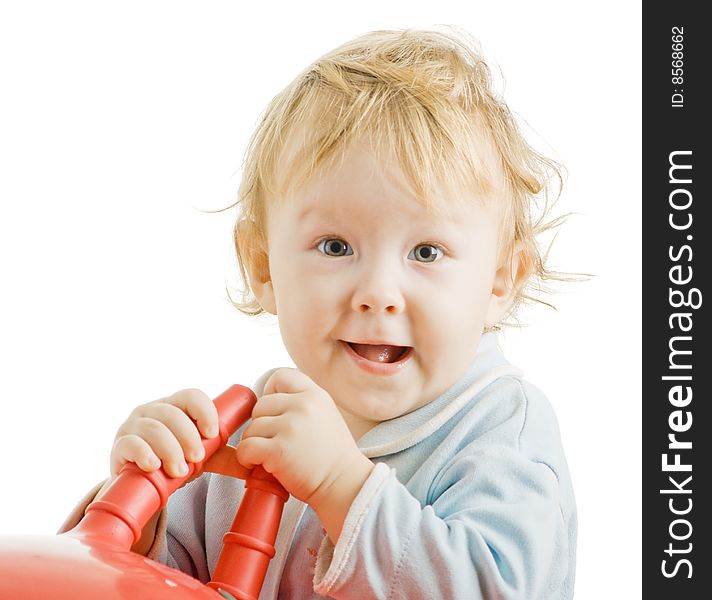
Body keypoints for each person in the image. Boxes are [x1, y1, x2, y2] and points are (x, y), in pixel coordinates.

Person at [62, 26, 577, 599]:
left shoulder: (500, 429)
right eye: (335, 246)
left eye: (426, 252)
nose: (377, 293)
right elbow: (169, 585)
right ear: (262, 266)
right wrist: (139, 525)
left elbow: (497, 589)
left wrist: (342, 486)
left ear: (501, 280)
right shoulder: (247, 436)